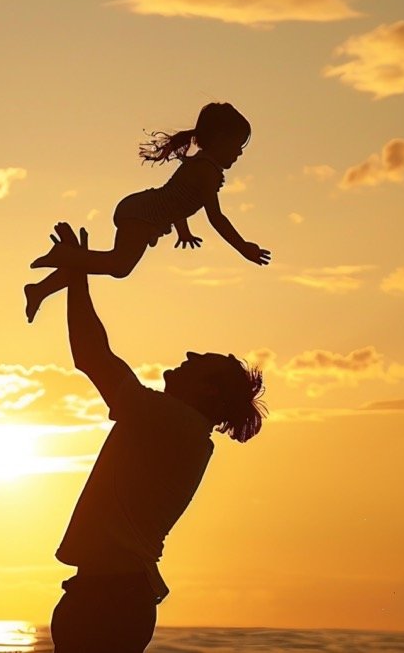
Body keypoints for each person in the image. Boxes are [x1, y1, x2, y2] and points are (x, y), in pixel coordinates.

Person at [45, 222, 265, 653]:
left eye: (204, 361)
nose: (190, 355)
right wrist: (76, 271)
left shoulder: (174, 423)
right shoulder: (177, 427)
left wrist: (78, 271)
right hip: (109, 593)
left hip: (111, 599)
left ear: (209, 391)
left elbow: (92, 356)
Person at [24, 102, 271, 322]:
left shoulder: (202, 167)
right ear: (218, 140)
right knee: (119, 266)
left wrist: (183, 231)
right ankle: (64, 254)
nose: (239, 153)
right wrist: (243, 248)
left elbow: (179, 200)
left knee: (112, 264)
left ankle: (39, 289)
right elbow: (216, 217)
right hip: (141, 213)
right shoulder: (206, 170)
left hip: (139, 211)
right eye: (236, 146)